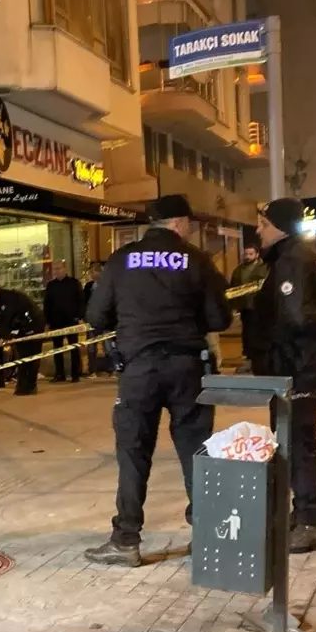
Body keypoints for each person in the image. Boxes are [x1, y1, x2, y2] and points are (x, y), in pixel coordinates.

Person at [83, 194, 231, 567]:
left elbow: (96, 316)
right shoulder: (197, 260)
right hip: (188, 368)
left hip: (139, 370)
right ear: (179, 223)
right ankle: (207, 535)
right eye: (189, 223)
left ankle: (126, 540)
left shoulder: (121, 260)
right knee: (196, 450)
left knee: (133, 454)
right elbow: (220, 318)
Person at [249, 198, 316, 553]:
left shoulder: (292, 259)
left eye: (264, 224)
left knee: (298, 442)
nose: (258, 230)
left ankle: (310, 521)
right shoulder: (300, 254)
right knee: (293, 440)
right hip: (299, 363)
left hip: (298, 365)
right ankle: (302, 513)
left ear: (281, 227)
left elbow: (297, 316)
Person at [0, 285, 45, 395]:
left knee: (26, 357)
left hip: (31, 327)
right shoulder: (11, 297)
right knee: (30, 357)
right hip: (32, 326)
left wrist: (3, 336)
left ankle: (26, 387)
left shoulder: (7, 300)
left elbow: (7, 320)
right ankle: (28, 386)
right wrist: (3, 335)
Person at [230, 243, 269, 372]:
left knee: (257, 334)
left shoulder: (264, 268)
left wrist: (242, 290)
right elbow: (233, 288)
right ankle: (248, 359)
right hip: (245, 308)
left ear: (257, 254)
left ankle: (257, 360)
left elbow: (261, 285)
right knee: (247, 334)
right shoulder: (238, 270)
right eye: (246, 254)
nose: (247, 256)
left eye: (250, 254)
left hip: (259, 307)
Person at [43, 260, 83, 383]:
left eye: (59, 268)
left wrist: (79, 317)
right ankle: (60, 374)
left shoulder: (74, 283)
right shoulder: (51, 285)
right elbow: (47, 304)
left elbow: (81, 301)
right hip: (56, 321)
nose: (57, 271)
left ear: (65, 269)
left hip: (71, 320)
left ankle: (75, 374)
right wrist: (47, 321)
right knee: (57, 349)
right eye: (55, 269)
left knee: (74, 347)